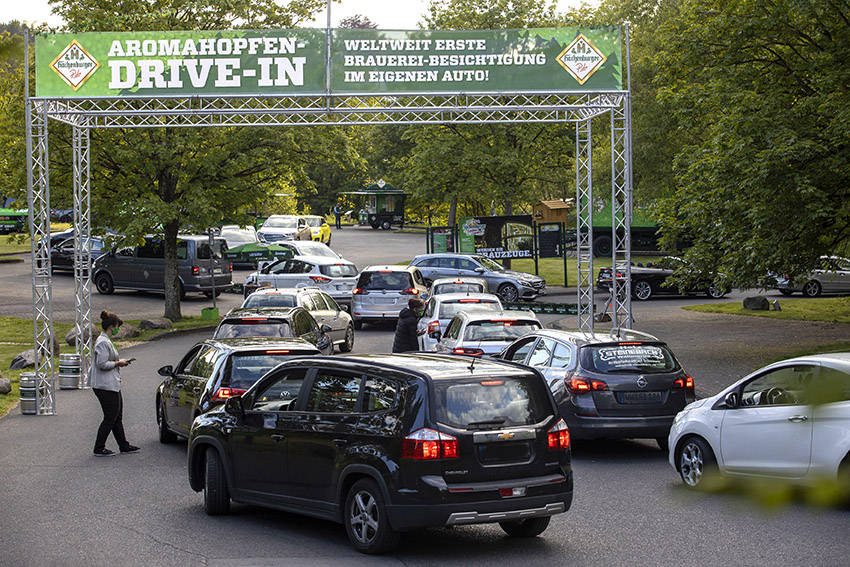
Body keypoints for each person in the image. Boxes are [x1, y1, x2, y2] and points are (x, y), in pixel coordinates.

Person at [90, 310, 139, 457]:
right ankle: (99, 447)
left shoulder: (107, 340)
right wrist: (119, 363)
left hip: (112, 384)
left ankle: (124, 445)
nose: (119, 329)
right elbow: (102, 364)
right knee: (110, 417)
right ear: (112, 326)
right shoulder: (102, 342)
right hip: (104, 385)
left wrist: (119, 362)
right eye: (118, 326)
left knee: (117, 416)